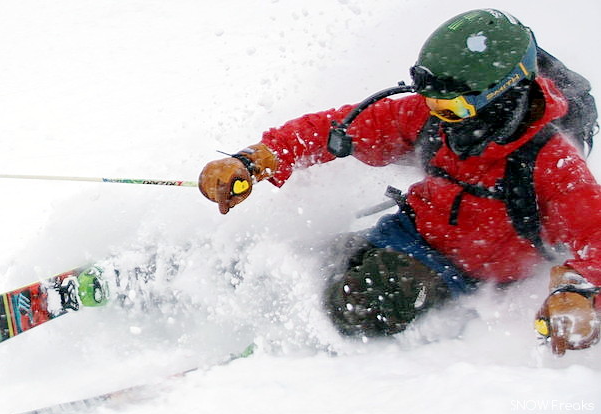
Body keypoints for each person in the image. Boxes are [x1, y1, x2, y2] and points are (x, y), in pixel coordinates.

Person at [197, 9, 601, 356]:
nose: (438, 115)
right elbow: (337, 128)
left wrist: (576, 292)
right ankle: (187, 281)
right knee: (288, 261)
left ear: (502, 95)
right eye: (431, 101)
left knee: (358, 303)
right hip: (407, 231)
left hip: (462, 267)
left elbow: (595, 234)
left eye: (452, 107)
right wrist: (255, 159)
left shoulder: (552, 163)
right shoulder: (431, 119)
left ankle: (294, 348)